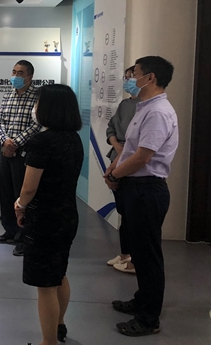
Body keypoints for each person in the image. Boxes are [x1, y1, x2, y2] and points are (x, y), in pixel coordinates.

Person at [104, 56, 178, 337]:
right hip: (135, 187)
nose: (129, 79)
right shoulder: (143, 108)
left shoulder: (158, 112)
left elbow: (143, 157)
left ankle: (149, 318)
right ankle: (141, 300)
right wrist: (113, 169)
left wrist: (115, 176)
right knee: (139, 252)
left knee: (148, 256)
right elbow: (129, 149)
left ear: (150, 78)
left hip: (147, 189)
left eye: (134, 74)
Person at [14, 84, 83, 345]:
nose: (35, 108)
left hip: (44, 219)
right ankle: (59, 325)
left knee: (45, 286)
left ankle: (48, 341)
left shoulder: (42, 142)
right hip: (67, 215)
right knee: (59, 273)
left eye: (38, 103)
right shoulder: (73, 139)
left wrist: (20, 205)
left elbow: (29, 187)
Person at [0, 60, 40, 256]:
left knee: (22, 193)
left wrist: (16, 143)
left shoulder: (37, 97)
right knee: (5, 192)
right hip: (6, 150)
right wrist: (5, 141)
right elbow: (0, 121)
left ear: (30, 76)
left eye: (20, 73)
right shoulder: (8, 95)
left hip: (24, 152)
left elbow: (37, 124)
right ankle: (10, 230)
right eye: (14, 72)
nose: (15, 76)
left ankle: (24, 236)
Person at [106, 66, 139, 274]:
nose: (127, 81)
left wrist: (122, 153)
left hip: (129, 165)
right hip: (117, 156)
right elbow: (111, 128)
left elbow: (136, 144)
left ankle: (135, 258)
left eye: (131, 77)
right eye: (125, 78)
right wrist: (117, 146)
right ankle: (125, 253)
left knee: (133, 215)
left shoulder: (147, 108)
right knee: (123, 212)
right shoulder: (125, 104)